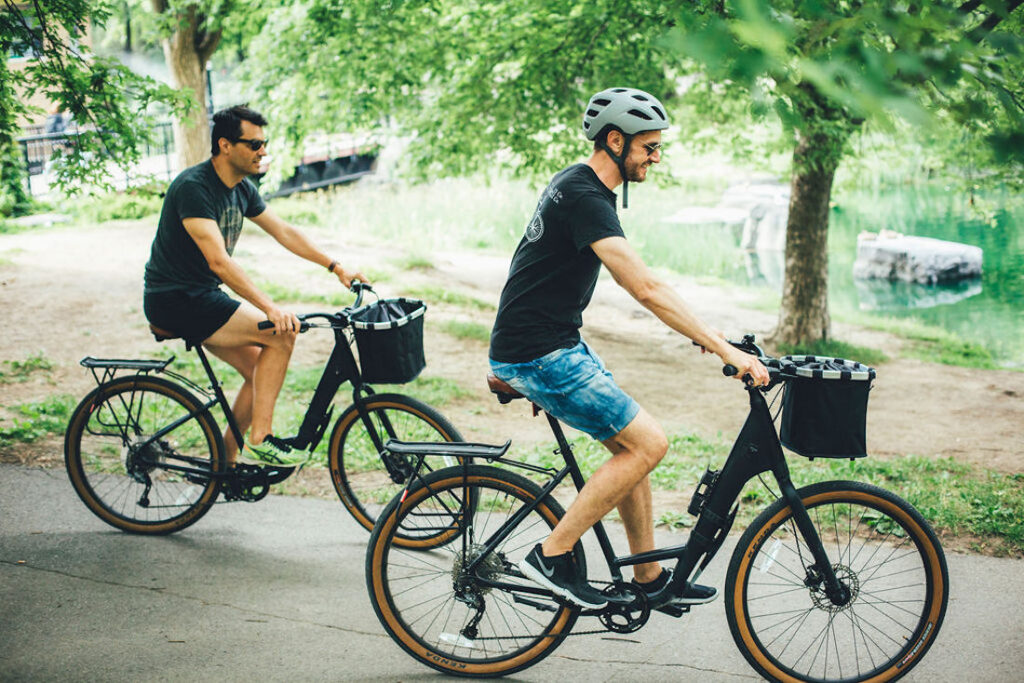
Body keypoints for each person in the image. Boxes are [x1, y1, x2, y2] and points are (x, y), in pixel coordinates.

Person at [488, 87, 770, 610]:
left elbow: (527, 270)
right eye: (649, 147)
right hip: (540, 351)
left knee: (631, 445)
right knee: (649, 444)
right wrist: (723, 347)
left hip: (545, 344)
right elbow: (644, 288)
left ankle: (648, 577)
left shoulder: (575, 182)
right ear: (615, 141)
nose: (656, 157)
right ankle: (551, 556)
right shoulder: (585, 198)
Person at [143, 104, 367, 467]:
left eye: (264, 143)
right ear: (225, 145)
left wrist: (336, 266)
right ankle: (260, 439)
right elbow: (219, 261)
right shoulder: (194, 188)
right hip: (176, 299)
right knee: (280, 335)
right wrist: (269, 307)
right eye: (254, 144)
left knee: (257, 373)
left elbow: (284, 232)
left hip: (203, 296)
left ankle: (225, 460)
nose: (262, 151)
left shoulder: (241, 190)